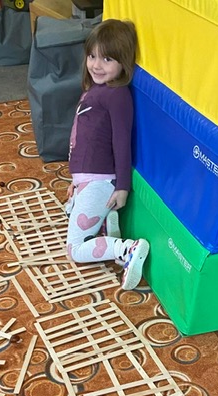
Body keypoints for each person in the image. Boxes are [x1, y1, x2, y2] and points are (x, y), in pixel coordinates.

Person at [65, 19, 149, 291]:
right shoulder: (96, 89)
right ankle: (104, 223)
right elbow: (83, 138)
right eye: (92, 56)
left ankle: (127, 249)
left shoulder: (117, 95)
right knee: (70, 211)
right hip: (88, 180)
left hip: (101, 182)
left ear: (124, 62)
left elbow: (121, 142)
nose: (96, 65)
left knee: (75, 249)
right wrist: (77, 183)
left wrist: (122, 186)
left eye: (107, 59)